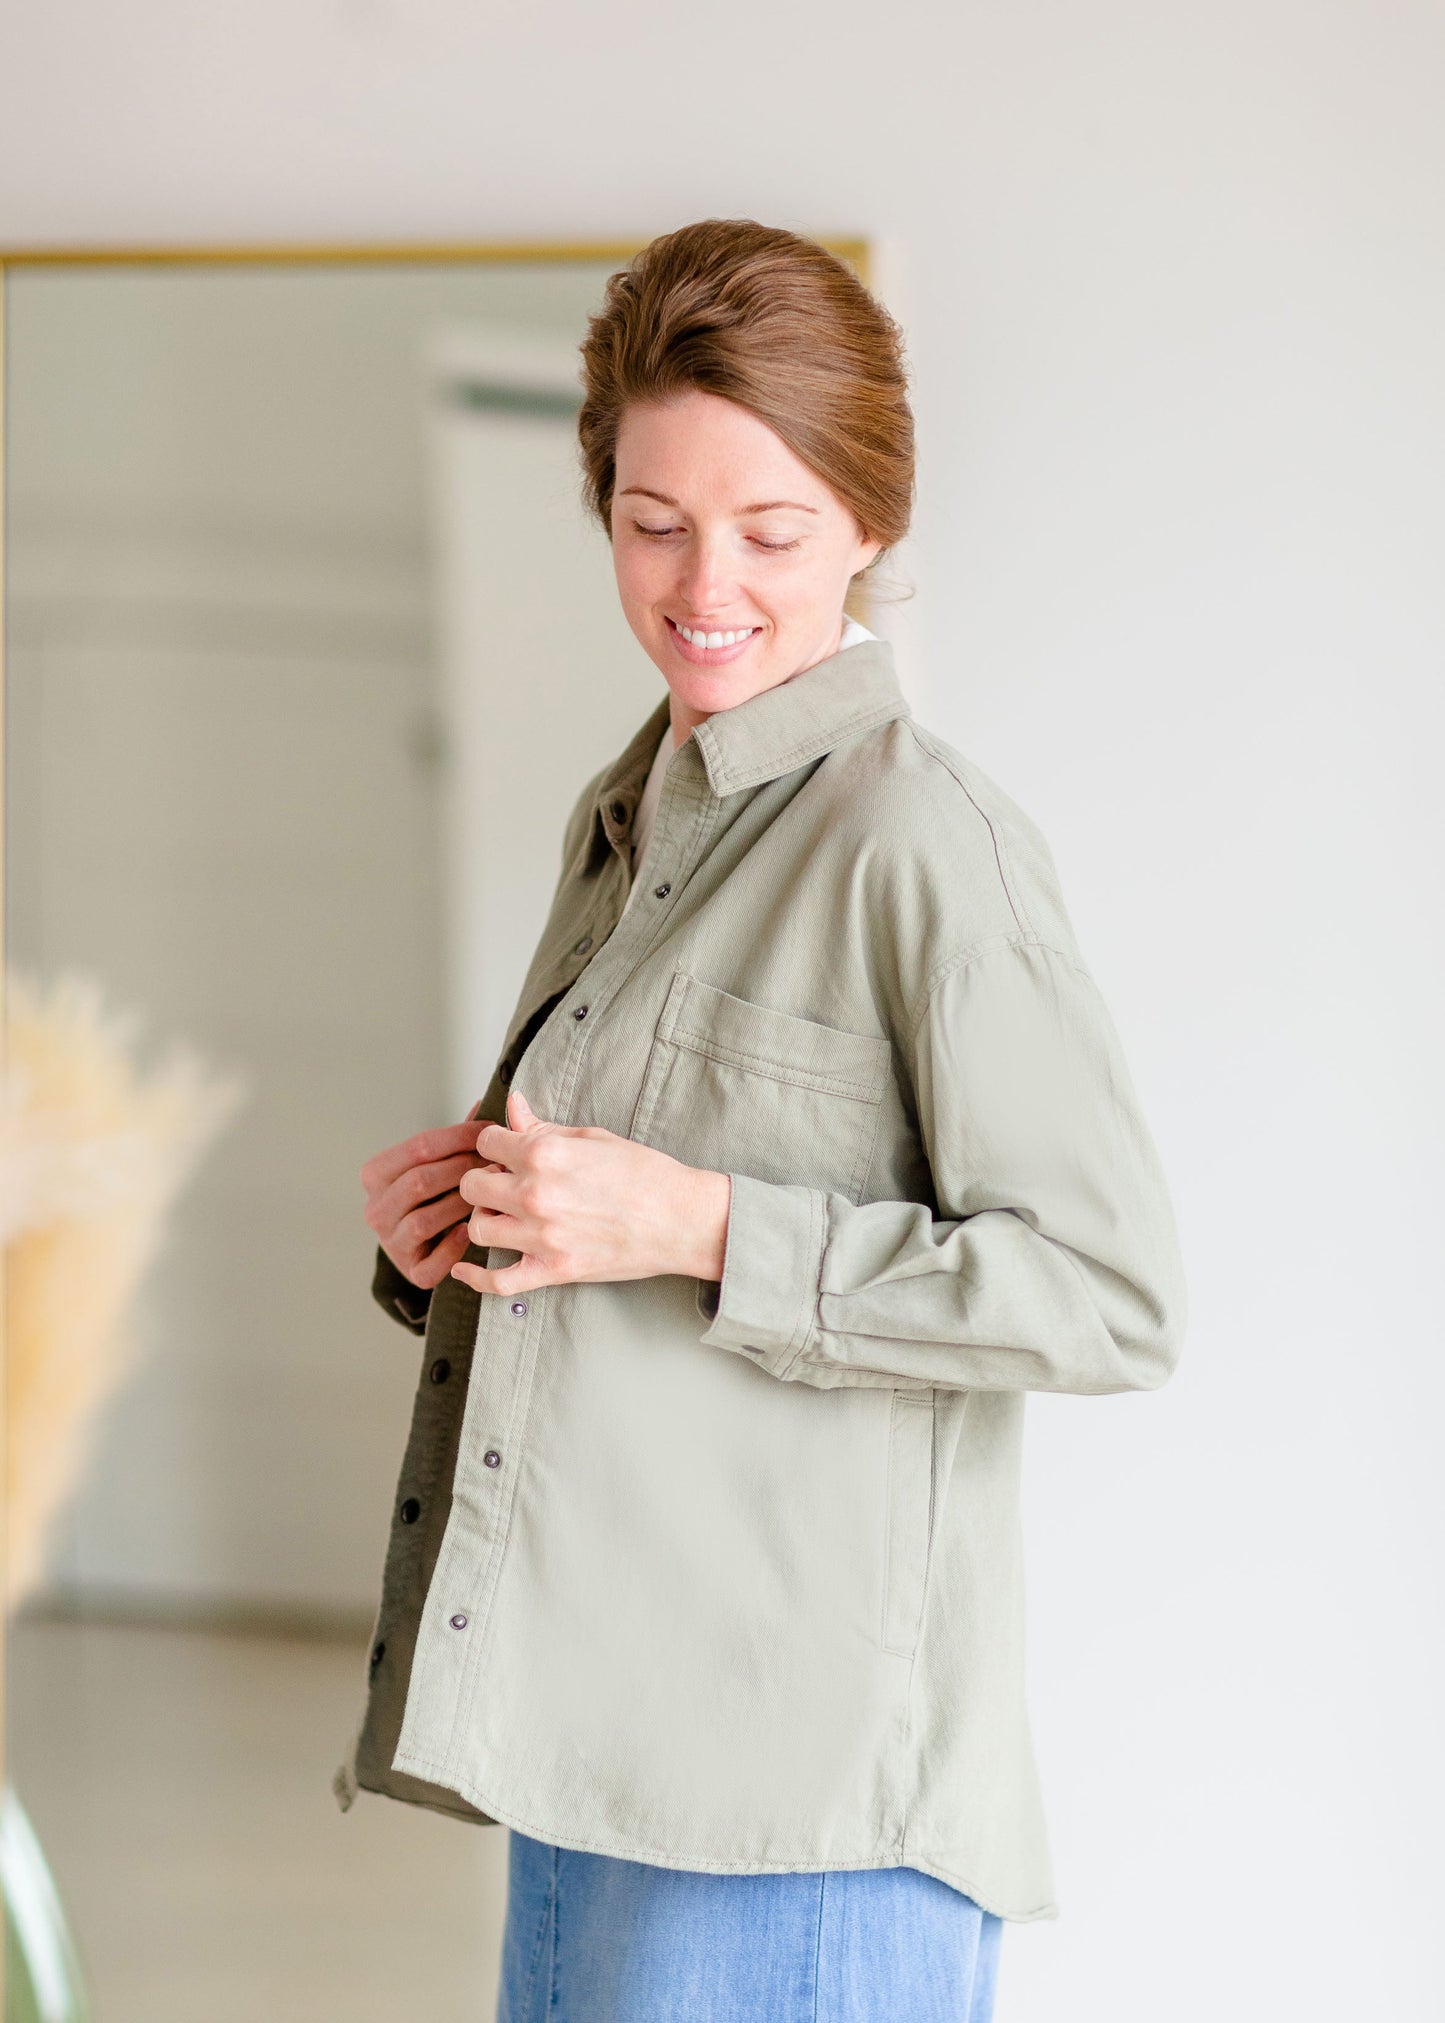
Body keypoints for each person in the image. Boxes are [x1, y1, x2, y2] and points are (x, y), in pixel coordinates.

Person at [337, 218, 1188, 2023]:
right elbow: (622, 1256)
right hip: (581, 1763)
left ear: (867, 524)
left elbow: (1107, 1295)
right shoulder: (627, 813)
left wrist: (701, 1226)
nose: (702, 582)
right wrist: (467, 1237)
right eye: (653, 522)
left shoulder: (923, 845)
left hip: (799, 1819)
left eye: (770, 530)